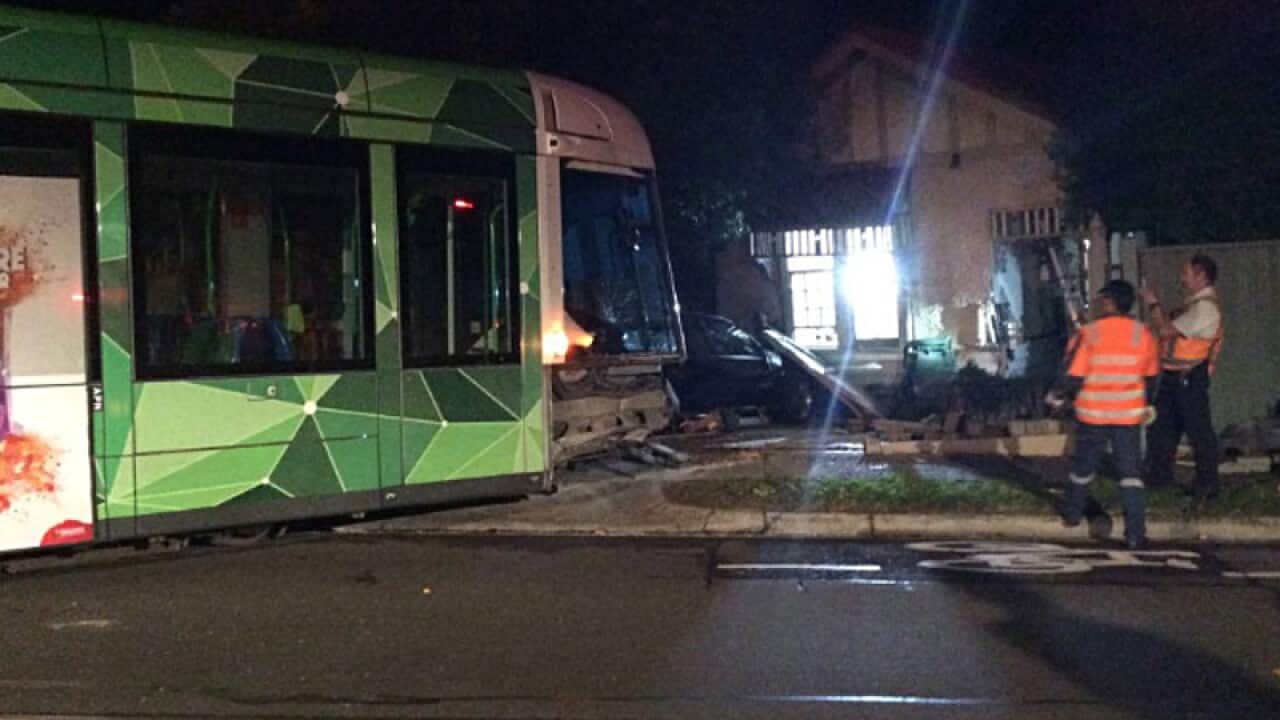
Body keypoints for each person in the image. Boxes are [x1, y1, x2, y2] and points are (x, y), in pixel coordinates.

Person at [1047, 280, 1160, 549]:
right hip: (1128, 415)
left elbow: (1074, 375)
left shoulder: (1090, 333)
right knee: (1130, 474)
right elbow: (1152, 376)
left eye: (1100, 300)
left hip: (1093, 413)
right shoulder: (1142, 334)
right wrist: (1147, 403)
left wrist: (1059, 396)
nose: (1097, 305)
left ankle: (1073, 513)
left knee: (1083, 467)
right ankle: (1135, 534)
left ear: (1109, 302)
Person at [1140, 254, 1223, 511]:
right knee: (1162, 428)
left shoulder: (1205, 309)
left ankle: (1207, 484)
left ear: (1201, 276)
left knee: (1198, 431)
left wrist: (1153, 304)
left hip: (1189, 377)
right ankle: (1159, 477)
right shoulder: (1194, 305)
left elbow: (1166, 330)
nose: (1182, 278)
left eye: (1186, 273)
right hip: (1174, 375)